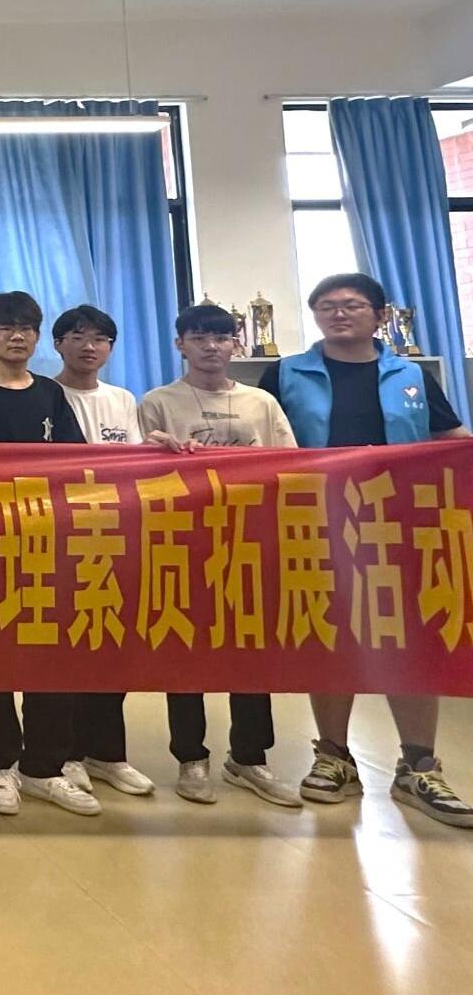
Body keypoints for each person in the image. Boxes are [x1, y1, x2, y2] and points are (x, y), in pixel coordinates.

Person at [260, 273, 472, 828]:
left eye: (352, 305)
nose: (339, 313)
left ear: (379, 316)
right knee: (328, 631)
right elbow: (259, 446)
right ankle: (334, 756)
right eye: (327, 306)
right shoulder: (285, 373)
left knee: (411, 637)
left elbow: (448, 440)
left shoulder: (412, 375)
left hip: (404, 523)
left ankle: (418, 766)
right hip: (317, 519)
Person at [139, 302, 302, 808]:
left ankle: (249, 757)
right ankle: (191, 757)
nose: (211, 346)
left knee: (249, 651)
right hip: (184, 542)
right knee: (184, 649)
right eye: (199, 337)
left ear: (236, 344)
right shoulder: (157, 402)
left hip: (250, 540)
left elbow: (291, 465)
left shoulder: (261, 403)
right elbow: (140, 475)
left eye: (222, 337)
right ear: (180, 345)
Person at [0, 292, 98, 816]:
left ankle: (45, 767)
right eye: (6, 327)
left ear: (38, 337)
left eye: (26, 328)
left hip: (49, 540)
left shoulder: (52, 394)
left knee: (50, 654)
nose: (17, 336)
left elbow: (79, 462)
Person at [51, 305, 156, 801]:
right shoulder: (45, 395)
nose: (89, 346)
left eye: (100, 338)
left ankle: (108, 752)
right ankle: (68, 752)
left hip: (114, 535)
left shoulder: (123, 399)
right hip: (60, 536)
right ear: (58, 344)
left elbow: (134, 463)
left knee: (112, 644)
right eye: (77, 336)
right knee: (67, 648)